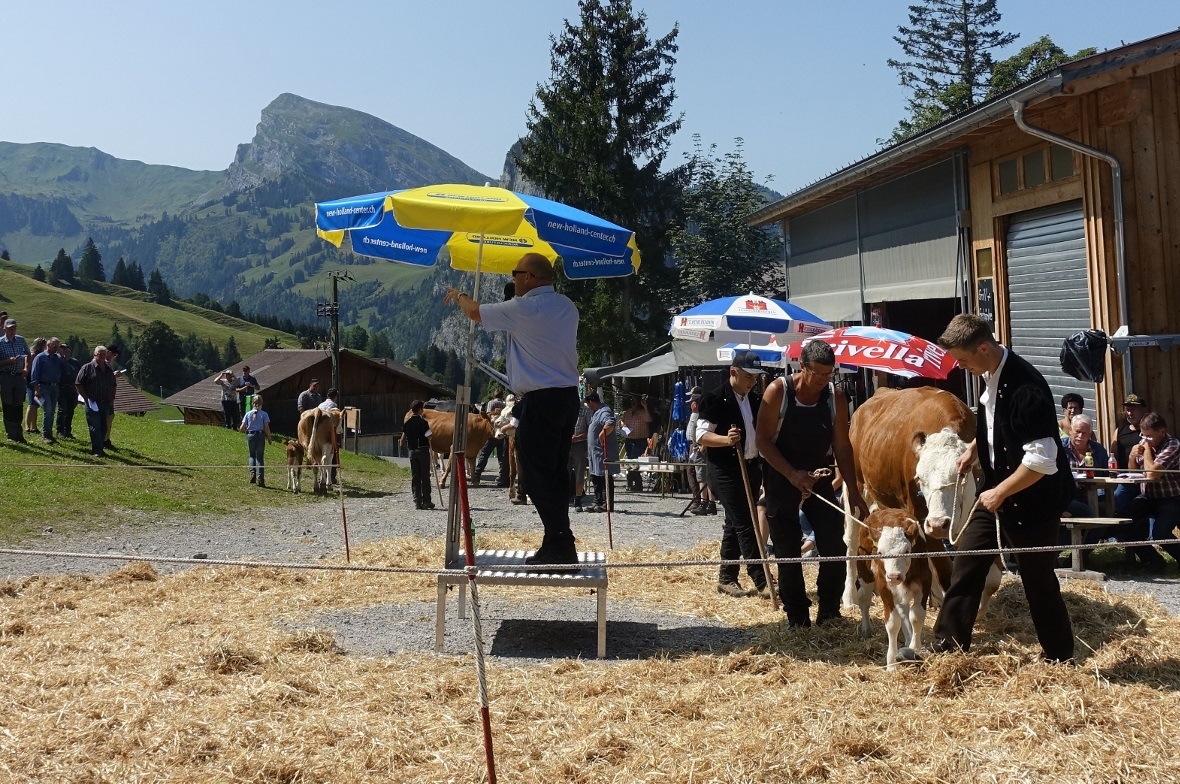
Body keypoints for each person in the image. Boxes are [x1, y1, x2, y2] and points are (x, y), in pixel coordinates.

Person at [929, 313, 1074, 663]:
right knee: (967, 562)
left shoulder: (1027, 389)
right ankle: (948, 648)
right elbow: (994, 423)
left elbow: (1042, 459)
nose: (960, 366)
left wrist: (1000, 492)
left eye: (962, 359)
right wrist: (974, 449)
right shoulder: (990, 373)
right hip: (997, 491)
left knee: (1037, 578)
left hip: (1033, 499)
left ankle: (1059, 655)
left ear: (982, 347)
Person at [443, 252, 581, 567]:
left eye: (515, 273)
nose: (512, 279)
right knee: (555, 472)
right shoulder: (567, 307)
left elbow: (475, 312)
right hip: (567, 397)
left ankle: (561, 544)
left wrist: (459, 295)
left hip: (541, 400)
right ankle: (557, 540)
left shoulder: (523, 308)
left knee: (533, 476)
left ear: (529, 277)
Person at [756, 340, 869, 626]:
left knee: (833, 543)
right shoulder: (778, 392)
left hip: (819, 477)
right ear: (802, 367)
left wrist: (853, 491)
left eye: (828, 374)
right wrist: (792, 475)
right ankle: (797, 615)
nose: (823, 380)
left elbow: (842, 446)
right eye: (817, 374)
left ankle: (829, 610)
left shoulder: (836, 397)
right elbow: (762, 441)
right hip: (782, 476)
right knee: (788, 548)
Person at [696, 351, 772, 600]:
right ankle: (761, 580)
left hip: (750, 466)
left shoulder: (756, 399)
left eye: (755, 377)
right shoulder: (715, 398)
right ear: (733, 372)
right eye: (748, 376)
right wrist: (726, 440)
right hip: (725, 468)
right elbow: (700, 436)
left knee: (733, 522)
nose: (752, 381)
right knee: (745, 521)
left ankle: (726, 577)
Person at [1123, 412, 1180, 570]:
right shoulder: (1145, 441)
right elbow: (1133, 472)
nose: (1145, 439)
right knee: (1123, 522)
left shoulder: (1173, 445)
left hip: (1171, 497)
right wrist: (1132, 457)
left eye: (1149, 436)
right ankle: (1153, 560)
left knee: (1160, 534)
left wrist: (1146, 450)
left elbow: (1152, 473)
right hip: (1148, 496)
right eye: (1143, 435)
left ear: (1162, 432)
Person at [75, 345, 117, 458]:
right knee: (95, 427)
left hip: (106, 402)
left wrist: (112, 397)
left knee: (104, 426)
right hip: (92, 403)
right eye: (100, 355)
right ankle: (97, 450)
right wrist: (85, 398)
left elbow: (113, 384)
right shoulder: (87, 368)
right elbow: (78, 383)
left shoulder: (108, 369)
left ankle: (101, 448)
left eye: (104, 354)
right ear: (95, 355)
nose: (103, 357)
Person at [1110, 393, 1150, 513]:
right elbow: (1113, 456)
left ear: (1143, 410)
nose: (1130, 413)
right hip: (1126, 480)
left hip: (1145, 479)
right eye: (1127, 410)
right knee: (1116, 499)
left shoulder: (1149, 431)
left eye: (1133, 409)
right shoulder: (1120, 431)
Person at [584, 392, 618, 512]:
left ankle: (607, 504)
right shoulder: (596, 413)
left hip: (602, 452)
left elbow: (610, 423)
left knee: (604, 478)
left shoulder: (604, 410)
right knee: (595, 478)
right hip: (594, 453)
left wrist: (603, 433)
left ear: (592, 402)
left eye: (588, 403)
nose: (588, 406)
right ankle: (597, 501)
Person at [685, 387, 716, 516]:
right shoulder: (695, 413)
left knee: (702, 476)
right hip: (694, 446)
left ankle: (705, 502)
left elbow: (704, 432)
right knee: (698, 474)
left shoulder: (702, 414)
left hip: (700, 447)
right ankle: (704, 501)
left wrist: (702, 446)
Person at [29, 337, 65, 444]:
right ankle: (46, 434)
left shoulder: (58, 358)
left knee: (52, 410)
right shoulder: (40, 357)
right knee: (48, 409)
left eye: (57, 347)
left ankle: (50, 433)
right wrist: (36, 388)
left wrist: (62, 357)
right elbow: (34, 373)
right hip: (44, 386)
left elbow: (66, 369)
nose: (56, 349)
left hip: (55, 387)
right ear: (48, 346)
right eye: (54, 347)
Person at [402, 399, 435, 510]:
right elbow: (429, 436)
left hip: (412, 452)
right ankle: (427, 501)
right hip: (423, 450)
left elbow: (405, 435)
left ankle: (417, 501)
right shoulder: (423, 423)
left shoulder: (407, 423)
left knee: (415, 476)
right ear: (421, 409)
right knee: (425, 476)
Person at [473, 389, 507, 487]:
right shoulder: (504, 404)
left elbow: (488, 416)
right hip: (502, 431)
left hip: (492, 431)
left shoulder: (491, 403)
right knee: (501, 456)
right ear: (501, 396)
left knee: (485, 454)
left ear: (494, 395)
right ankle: (502, 476)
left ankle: (477, 474)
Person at [239, 394, 273, 487]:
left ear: (252, 403)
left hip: (250, 435)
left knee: (252, 455)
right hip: (260, 435)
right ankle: (261, 479)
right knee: (260, 458)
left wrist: (247, 427)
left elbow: (241, 428)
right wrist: (269, 438)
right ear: (262, 403)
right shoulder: (264, 414)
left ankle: (252, 473)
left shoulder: (248, 414)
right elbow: (266, 428)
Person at [0, 317, 25, 443]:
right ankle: (11, 434)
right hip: (6, 376)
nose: (12, 331)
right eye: (10, 329)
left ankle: (18, 432)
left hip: (19, 376)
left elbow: (28, 354)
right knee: (8, 405)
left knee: (18, 405)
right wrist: (8, 361)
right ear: (4, 329)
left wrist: (26, 368)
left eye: (14, 328)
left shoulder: (20, 340)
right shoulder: (0, 343)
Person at [620, 395, 653, 491]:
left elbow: (649, 419)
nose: (633, 403)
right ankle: (630, 483)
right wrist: (623, 426)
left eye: (635, 401)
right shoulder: (628, 412)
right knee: (629, 461)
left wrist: (645, 406)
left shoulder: (643, 412)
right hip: (629, 440)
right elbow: (623, 421)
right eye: (632, 401)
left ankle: (637, 484)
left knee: (634, 461)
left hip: (640, 440)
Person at [569, 396, 591, 512]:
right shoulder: (565, 409)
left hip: (579, 445)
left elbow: (590, 429)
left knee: (579, 473)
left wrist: (578, 437)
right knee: (563, 472)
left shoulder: (585, 410)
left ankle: (578, 499)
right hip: (565, 445)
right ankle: (565, 496)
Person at [55, 344, 81, 439]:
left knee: (70, 411)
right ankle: (60, 431)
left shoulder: (74, 362)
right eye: (62, 349)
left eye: (66, 348)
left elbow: (79, 374)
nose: (65, 350)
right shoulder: (58, 361)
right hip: (62, 388)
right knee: (62, 410)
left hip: (72, 389)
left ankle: (67, 431)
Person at [102, 344, 125, 449]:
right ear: (109, 353)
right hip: (105, 396)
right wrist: (114, 375)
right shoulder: (103, 363)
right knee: (107, 418)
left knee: (110, 417)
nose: (114, 358)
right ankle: (104, 440)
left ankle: (106, 439)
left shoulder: (107, 364)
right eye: (114, 355)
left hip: (109, 395)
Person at [23, 337, 47, 435]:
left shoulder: (41, 355)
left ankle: (34, 426)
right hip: (31, 381)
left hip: (39, 381)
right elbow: (28, 367)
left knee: (36, 405)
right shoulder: (32, 355)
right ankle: (27, 426)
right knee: (31, 404)